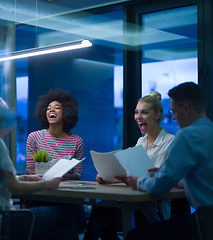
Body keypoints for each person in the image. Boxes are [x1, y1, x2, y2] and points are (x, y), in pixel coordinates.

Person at [0, 95, 80, 240]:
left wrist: (24, 177)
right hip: (0, 221)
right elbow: (15, 188)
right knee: (66, 215)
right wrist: (48, 183)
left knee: (59, 230)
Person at [117, 82, 213, 240]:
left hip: (205, 222)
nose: (173, 117)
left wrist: (139, 182)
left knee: (135, 235)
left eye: (174, 112)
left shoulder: (186, 136)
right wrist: (171, 175)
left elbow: (160, 186)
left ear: (186, 108)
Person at [84, 91, 182, 240]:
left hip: (156, 207)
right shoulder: (140, 142)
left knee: (103, 214)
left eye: (144, 112)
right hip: (136, 202)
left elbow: (171, 178)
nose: (138, 117)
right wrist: (110, 178)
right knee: (102, 209)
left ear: (157, 115)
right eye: (136, 113)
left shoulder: (171, 142)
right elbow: (133, 174)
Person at [26, 88, 84, 180]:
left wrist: (65, 176)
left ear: (66, 112)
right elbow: (29, 170)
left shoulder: (76, 141)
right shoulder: (34, 137)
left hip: (66, 190)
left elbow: (78, 174)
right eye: (48, 108)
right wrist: (34, 173)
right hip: (41, 188)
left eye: (57, 108)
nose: (51, 110)